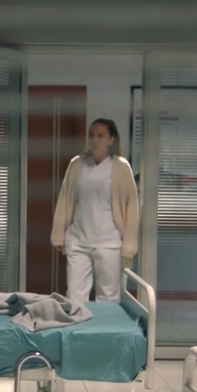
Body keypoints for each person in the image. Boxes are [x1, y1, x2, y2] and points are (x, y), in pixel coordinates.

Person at [50, 118, 140, 303]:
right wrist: (58, 234)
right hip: (78, 239)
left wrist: (129, 245)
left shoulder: (121, 167)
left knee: (108, 296)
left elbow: (131, 208)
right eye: (91, 135)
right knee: (75, 295)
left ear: (111, 140)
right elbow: (65, 199)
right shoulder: (77, 164)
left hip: (109, 242)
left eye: (101, 136)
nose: (95, 140)